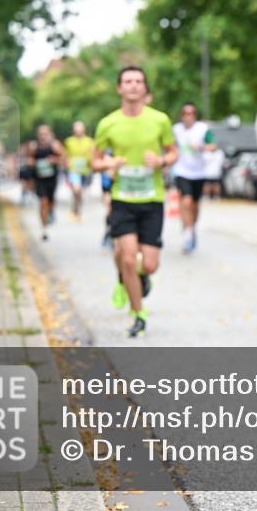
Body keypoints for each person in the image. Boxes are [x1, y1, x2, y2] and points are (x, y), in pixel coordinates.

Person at [93, 66, 177, 338]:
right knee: (129, 259)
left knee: (148, 265)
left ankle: (129, 278)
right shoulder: (108, 123)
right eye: (128, 81)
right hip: (122, 199)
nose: (133, 85)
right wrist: (109, 162)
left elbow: (173, 152)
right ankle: (138, 313)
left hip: (152, 199)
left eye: (138, 81)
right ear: (119, 88)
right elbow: (94, 161)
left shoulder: (160, 120)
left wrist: (162, 161)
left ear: (144, 88)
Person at [170, 102, 215, 253]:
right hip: (181, 171)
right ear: (181, 115)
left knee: (195, 205)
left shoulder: (202, 129)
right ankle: (187, 233)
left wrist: (202, 147)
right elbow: (169, 148)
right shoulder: (176, 130)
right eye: (185, 114)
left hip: (199, 172)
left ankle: (192, 227)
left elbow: (213, 146)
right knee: (186, 200)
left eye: (191, 114)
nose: (188, 117)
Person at [29, 125, 65, 241]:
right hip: (39, 179)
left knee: (50, 201)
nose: (43, 136)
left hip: (52, 178)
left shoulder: (55, 145)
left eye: (45, 134)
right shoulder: (34, 146)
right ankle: (44, 229)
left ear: (49, 134)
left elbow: (64, 159)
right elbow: (30, 159)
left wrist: (54, 160)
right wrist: (32, 163)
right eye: (41, 134)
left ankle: (51, 212)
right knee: (42, 202)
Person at [64, 121, 94, 220]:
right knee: (77, 190)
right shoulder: (69, 141)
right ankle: (75, 210)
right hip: (73, 170)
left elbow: (93, 154)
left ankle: (77, 210)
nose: (78, 131)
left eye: (80, 129)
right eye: (76, 129)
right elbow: (65, 155)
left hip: (85, 171)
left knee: (80, 192)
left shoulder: (90, 141)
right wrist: (66, 164)